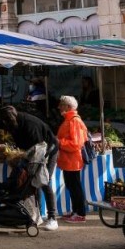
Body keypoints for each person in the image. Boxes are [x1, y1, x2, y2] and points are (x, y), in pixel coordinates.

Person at [0, 105, 60, 231]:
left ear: (10, 119)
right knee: (34, 183)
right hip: (34, 151)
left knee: (44, 181)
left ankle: (52, 218)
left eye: (5, 122)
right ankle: (38, 215)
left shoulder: (30, 125)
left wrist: (25, 160)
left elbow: (39, 149)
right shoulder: (10, 122)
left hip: (48, 150)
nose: (5, 125)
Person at [57, 95, 88, 223]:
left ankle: (80, 214)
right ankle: (75, 212)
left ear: (68, 107)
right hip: (68, 160)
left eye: (61, 104)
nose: (59, 107)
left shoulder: (74, 120)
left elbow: (76, 143)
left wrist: (59, 142)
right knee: (71, 186)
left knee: (75, 187)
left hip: (72, 160)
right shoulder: (69, 120)